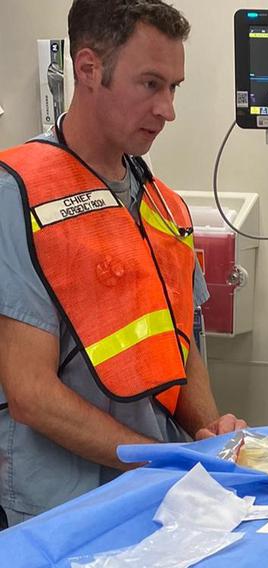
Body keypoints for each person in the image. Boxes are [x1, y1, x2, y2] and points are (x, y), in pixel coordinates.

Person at [0, 0, 246, 528]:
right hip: (63, 511)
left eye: (174, 87)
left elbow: (180, 345)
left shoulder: (162, 205)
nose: (168, 109)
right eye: (151, 84)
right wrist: (158, 460)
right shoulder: (17, 196)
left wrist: (209, 433)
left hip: (160, 494)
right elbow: (30, 395)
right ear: (88, 69)